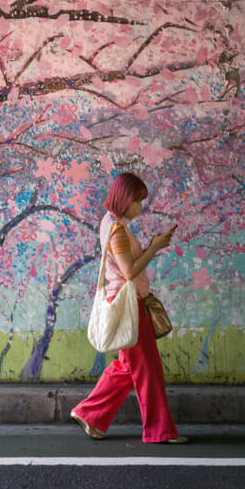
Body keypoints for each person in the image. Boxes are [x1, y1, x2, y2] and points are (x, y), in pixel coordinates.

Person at [70, 172, 188, 444]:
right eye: (137, 200)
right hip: (129, 303)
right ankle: (160, 431)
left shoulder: (113, 222)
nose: (140, 206)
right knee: (148, 368)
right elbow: (129, 270)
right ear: (125, 198)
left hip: (128, 301)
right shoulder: (117, 228)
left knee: (127, 367)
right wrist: (154, 247)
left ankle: (89, 414)